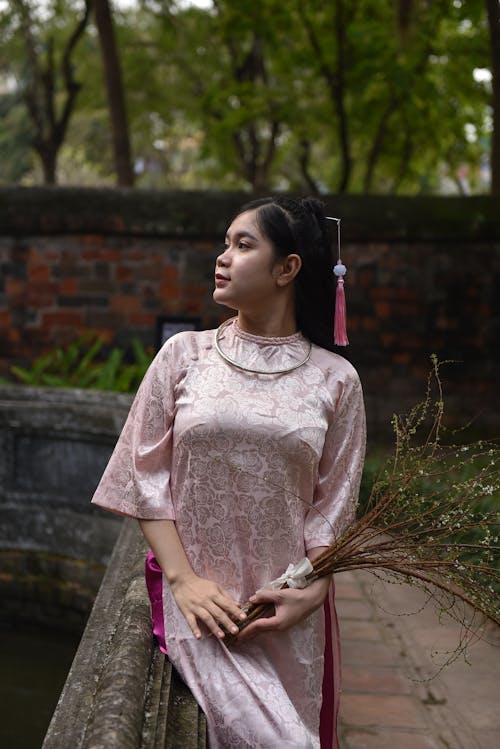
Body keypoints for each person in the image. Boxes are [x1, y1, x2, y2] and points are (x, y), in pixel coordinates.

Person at [91, 196, 366, 749]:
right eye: (225, 243)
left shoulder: (337, 381)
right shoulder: (183, 356)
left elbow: (333, 514)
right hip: (200, 606)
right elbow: (145, 480)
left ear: (287, 268)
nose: (222, 257)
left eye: (243, 245)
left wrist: (311, 590)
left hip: (285, 615)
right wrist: (184, 582)